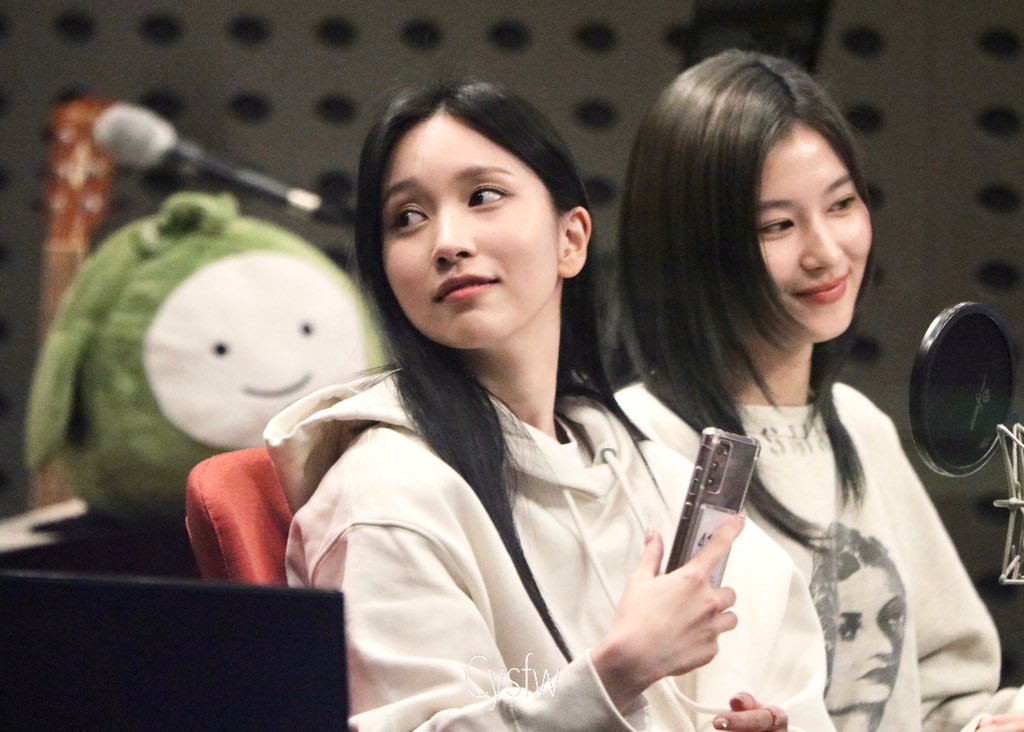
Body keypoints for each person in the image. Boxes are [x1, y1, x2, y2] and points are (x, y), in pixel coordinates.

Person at [265, 80, 835, 731]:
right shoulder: (386, 493)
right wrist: (612, 676)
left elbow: (786, 674)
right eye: (408, 218)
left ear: (572, 239)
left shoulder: (645, 469)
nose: (446, 241)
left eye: (483, 196)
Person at [613, 48, 1024, 732]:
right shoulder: (632, 446)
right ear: (691, 244)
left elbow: (944, 700)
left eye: (841, 205)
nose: (827, 252)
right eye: (777, 225)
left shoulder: (859, 426)